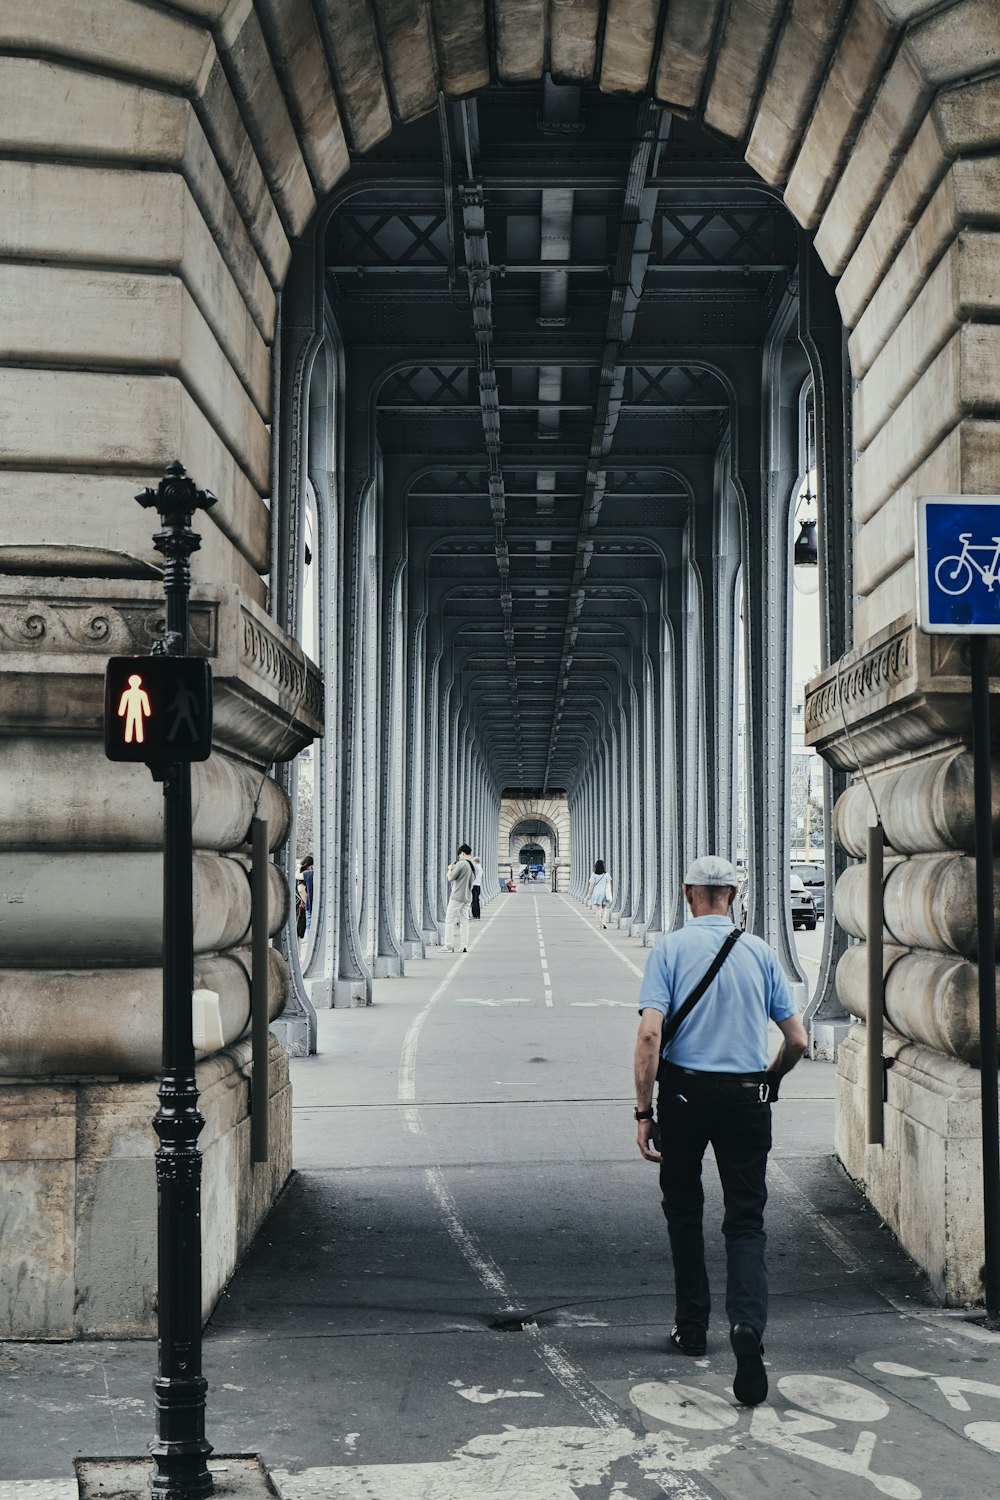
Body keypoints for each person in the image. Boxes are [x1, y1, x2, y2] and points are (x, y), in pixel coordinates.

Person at [633, 855, 808, 1408]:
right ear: (733, 896)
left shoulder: (669, 949)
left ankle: (691, 1329)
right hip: (745, 1095)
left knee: (684, 1210)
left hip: (684, 1094)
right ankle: (747, 1327)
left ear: (689, 895)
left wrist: (644, 1112)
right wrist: (770, 1081)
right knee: (746, 1219)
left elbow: (648, 1039)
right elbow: (798, 1040)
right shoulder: (759, 953)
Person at [444, 844, 475, 953]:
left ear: (462, 853)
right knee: (464, 922)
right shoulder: (472, 865)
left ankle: (448, 946)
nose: (459, 857)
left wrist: (450, 869)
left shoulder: (462, 864)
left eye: (459, 855)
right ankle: (463, 946)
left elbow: (451, 878)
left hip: (457, 897)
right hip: (467, 897)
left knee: (449, 920)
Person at [585, 859, 613, 928]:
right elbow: (609, 884)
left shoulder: (593, 874)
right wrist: (609, 893)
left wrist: (589, 894)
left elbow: (591, 885)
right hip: (604, 892)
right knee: (604, 907)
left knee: (598, 908)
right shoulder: (606, 874)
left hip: (597, 892)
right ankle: (604, 922)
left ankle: (599, 923)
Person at [470, 853, 484, 920]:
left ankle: (475, 915)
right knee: (477, 900)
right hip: (478, 885)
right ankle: (478, 914)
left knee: (474, 901)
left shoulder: (476, 868)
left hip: (474, 885)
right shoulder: (480, 868)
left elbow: (473, 876)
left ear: (475, 862)